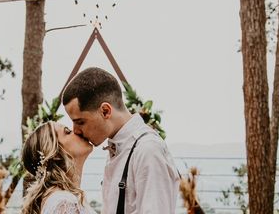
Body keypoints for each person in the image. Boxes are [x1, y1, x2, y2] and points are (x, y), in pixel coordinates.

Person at [62, 67, 180, 214]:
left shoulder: (147, 150)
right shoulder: (118, 147)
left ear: (105, 111)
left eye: (80, 122)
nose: (75, 130)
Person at [21, 121, 96, 214]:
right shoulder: (64, 203)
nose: (77, 132)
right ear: (55, 154)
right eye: (68, 131)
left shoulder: (63, 198)